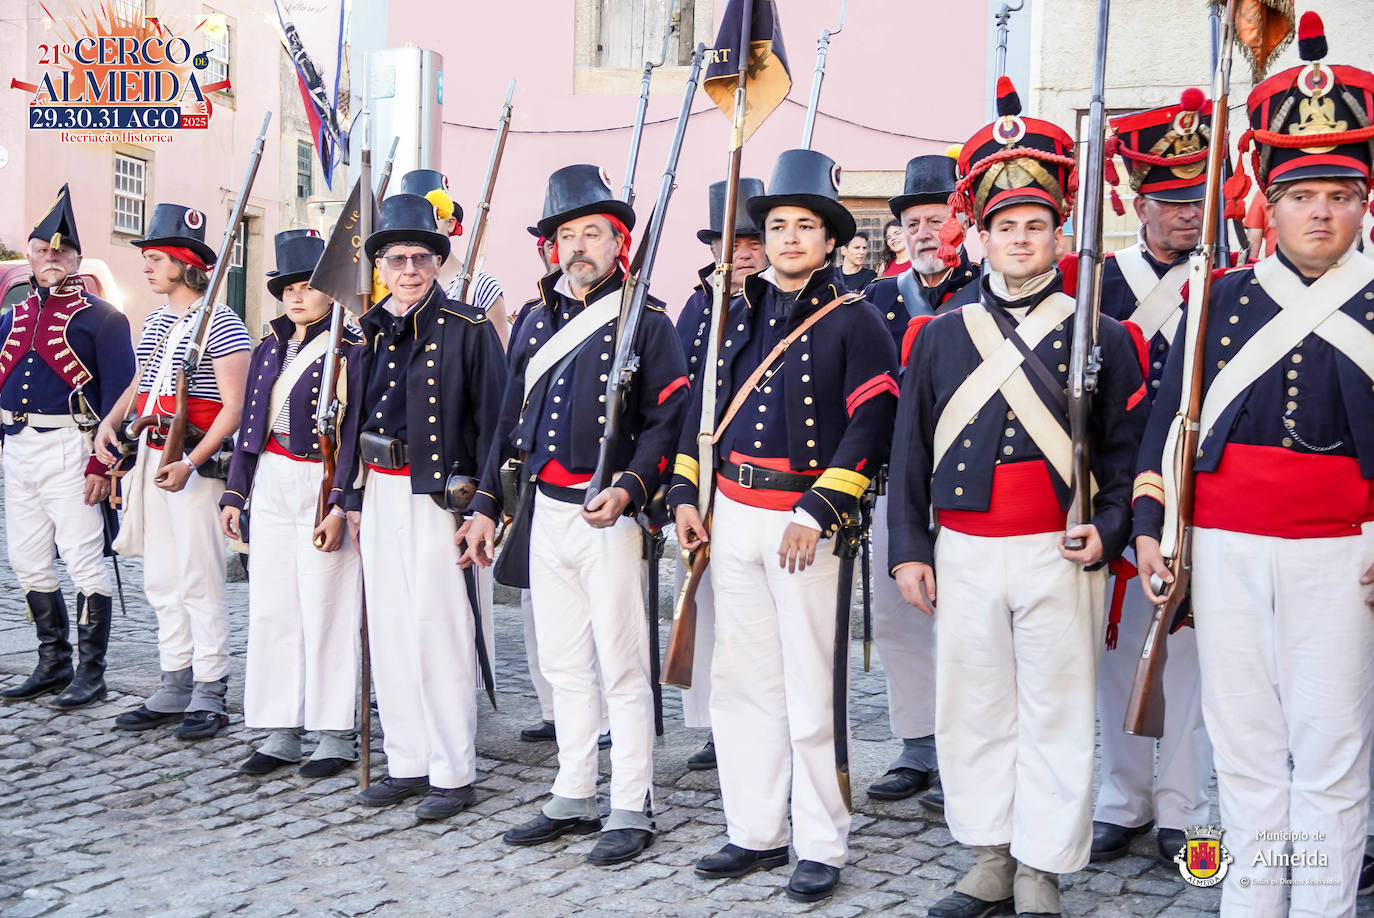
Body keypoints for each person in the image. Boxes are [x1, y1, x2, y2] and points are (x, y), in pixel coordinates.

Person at [888, 77, 1146, 918]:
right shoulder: (939, 335)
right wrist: (910, 550)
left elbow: (1122, 449)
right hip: (964, 548)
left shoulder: (1100, 334)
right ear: (983, 236)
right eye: (1007, 227)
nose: (1023, 240)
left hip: (1057, 550)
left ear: (1058, 231)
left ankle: (1043, 865)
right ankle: (989, 856)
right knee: (975, 709)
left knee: (1058, 712)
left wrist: (1109, 530)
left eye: (1037, 225)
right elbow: (909, 450)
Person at [1134, 18, 1374, 914]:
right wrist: (1154, 528)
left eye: (1340, 194)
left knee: (1331, 751)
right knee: (1241, 746)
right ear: (1266, 204)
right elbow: (1168, 426)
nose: (1321, 211)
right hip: (1226, 549)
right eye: (1302, 192)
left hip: (1340, 556)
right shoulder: (1217, 299)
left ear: (1364, 205)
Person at [670, 149, 899, 903]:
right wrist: (686, 494)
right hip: (732, 513)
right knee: (741, 682)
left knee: (810, 686)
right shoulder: (735, 311)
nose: (791, 237)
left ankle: (823, 841)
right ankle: (756, 829)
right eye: (778, 225)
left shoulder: (856, 317)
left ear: (831, 240)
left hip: (805, 520)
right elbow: (702, 416)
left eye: (806, 225)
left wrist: (822, 507)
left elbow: (874, 416)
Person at [462, 164, 689, 867]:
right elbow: (509, 425)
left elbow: (668, 418)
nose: (580, 245)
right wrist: (484, 506)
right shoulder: (532, 319)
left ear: (620, 242)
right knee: (564, 665)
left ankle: (633, 801)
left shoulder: (645, 320)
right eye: (568, 234)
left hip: (610, 519)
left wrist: (628, 486)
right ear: (551, 247)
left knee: (623, 666)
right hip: (547, 511)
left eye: (594, 232)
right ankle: (572, 789)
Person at [328, 193, 506, 819]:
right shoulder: (370, 329)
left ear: (437, 262)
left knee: (440, 632)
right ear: (379, 265)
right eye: (396, 258)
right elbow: (352, 422)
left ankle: (453, 772)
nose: (409, 269)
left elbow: (495, 425)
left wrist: (486, 504)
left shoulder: (469, 328)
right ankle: (407, 761)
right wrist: (346, 496)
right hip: (378, 489)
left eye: (421, 257)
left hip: (437, 497)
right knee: (393, 628)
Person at [1086, 90, 1216, 867]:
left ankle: (1182, 805)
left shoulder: (1231, 283)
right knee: (1119, 651)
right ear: (1138, 204)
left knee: (1193, 658)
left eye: (1196, 200)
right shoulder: (1097, 282)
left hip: (1197, 495)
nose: (1185, 216)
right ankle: (1123, 797)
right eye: (1169, 202)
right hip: (1116, 490)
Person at [94, 203, 251, 741]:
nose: (146, 267)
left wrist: (191, 460)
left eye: (156, 258)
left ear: (185, 265)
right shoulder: (159, 319)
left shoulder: (222, 320)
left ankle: (210, 687)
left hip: (192, 464)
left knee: (198, 576)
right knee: (162, 576)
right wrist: (109, 422)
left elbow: (234, 406)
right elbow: (143, 383)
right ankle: (175, 678)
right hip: (151, 456)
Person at [860, 154, 981, 812]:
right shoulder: (880, 298)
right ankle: (918, 745)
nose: (927, 232)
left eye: (940, 218)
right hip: (892, 482)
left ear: (963, 221)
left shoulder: (990, 290)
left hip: (967, 485)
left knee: (966, 622)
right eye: (914, 222)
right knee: (900, 622)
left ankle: (967, 747)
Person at [218, 229, 363, 778]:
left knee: (327, 608)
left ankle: (333, 730)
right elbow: (251, 428)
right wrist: (237, 490)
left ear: (331, 290)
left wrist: (340, 500)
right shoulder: (268, 348)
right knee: (274, 607)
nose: (297, 297)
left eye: (308, 286)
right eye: (288, 288)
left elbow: (352, 434)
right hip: (273, 479)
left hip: (320, 481)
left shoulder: (350, 348)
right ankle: (281, 725)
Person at [0, 185, 135, 709]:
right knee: (27, 560)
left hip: (72, 448)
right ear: (29, 257)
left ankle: (91, 673)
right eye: (41, 251)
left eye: (61, 252)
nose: (50, 259)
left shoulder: (104, 319)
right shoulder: (10, 318)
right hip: (19, 448)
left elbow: (122, 397)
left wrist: (105, 463)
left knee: (84, 560)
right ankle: (52, 663)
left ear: (76, 259)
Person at [671, 177, 770, 771]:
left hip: (749, 477)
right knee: (702, 603)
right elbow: (681, 383)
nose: (741, 253)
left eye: (751, 241)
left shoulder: (779, 306)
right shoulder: (698, 302)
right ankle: (713, 721)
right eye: (729, 243)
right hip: (697, 473)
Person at [396, 169, 509, 347]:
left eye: (432, 216)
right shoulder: (396, 287)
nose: (423, 226)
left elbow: (501, 364)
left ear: (450, 223)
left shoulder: (481, 286)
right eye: (414, 219)